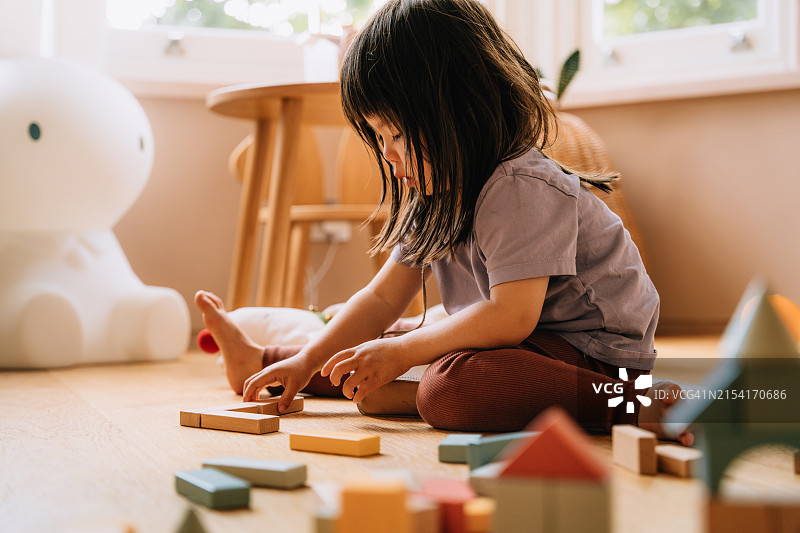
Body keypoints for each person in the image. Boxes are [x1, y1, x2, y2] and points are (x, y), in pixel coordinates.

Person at [196, 0, 691, 444]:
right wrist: (306, 362)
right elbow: (382, 298)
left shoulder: (520, 185)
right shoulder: (434, 192)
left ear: (455, 111)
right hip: (523, 343)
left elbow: (509, 316)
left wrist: (408, 353)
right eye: (378, 137)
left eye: (396, 134)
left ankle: (635, 405)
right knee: (376, 360)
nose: (388, 155)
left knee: (445, 386)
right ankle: (270, 361)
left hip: (593, 358)